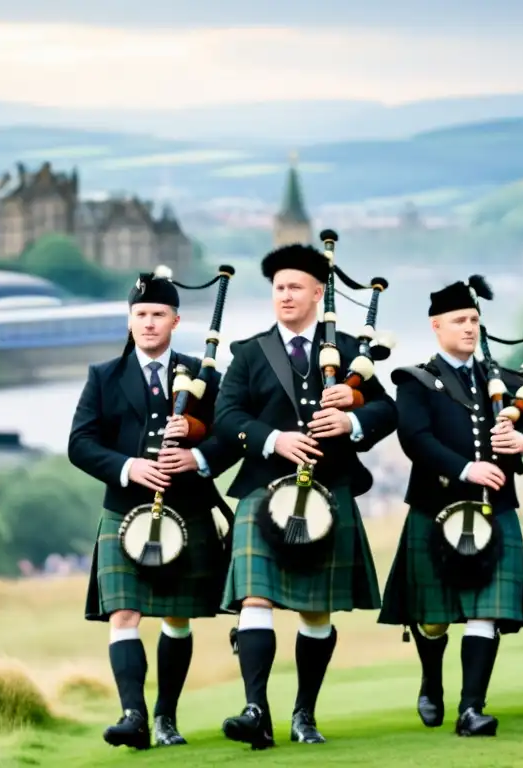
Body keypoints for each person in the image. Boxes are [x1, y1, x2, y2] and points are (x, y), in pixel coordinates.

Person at [212, 242, 398, 749]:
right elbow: (227, 417)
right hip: (262, 488)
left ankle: (304, 714)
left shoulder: (352, 359)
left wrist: (352, 419)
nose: (286, 296)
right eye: (278, 288)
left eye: (296, 287)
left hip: (329, 488)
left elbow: (388, 412)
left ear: (319, 292)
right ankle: (256, 710)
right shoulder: (249, 353)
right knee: (256, 596)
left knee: (316, 611)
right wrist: (276, 439)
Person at [67, 267, 241, 750]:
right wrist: (128, 468)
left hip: (186, 507)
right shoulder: (104, 376)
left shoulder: (205, 376)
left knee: (176, 617)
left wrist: (198, 456)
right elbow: (80, 444)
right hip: (124, 508)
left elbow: (234, 436)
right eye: (140, 314)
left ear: (175, 320)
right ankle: (133, 716)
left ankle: (166, 717)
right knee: (124, 613)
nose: (148, 323)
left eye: (157, 314)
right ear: (129, 320)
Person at [377, 275, 523, 737]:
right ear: (437, 326)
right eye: (459, 320)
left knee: (485, 610)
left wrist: (522, 442)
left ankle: (472, 708)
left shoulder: (505, 382)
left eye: (474, 319)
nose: (469, 327)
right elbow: (415, 438)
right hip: (435, 508)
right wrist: (465, 470)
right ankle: (431, 679)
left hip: (494, 511)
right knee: (433, 620)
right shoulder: (415, 381)